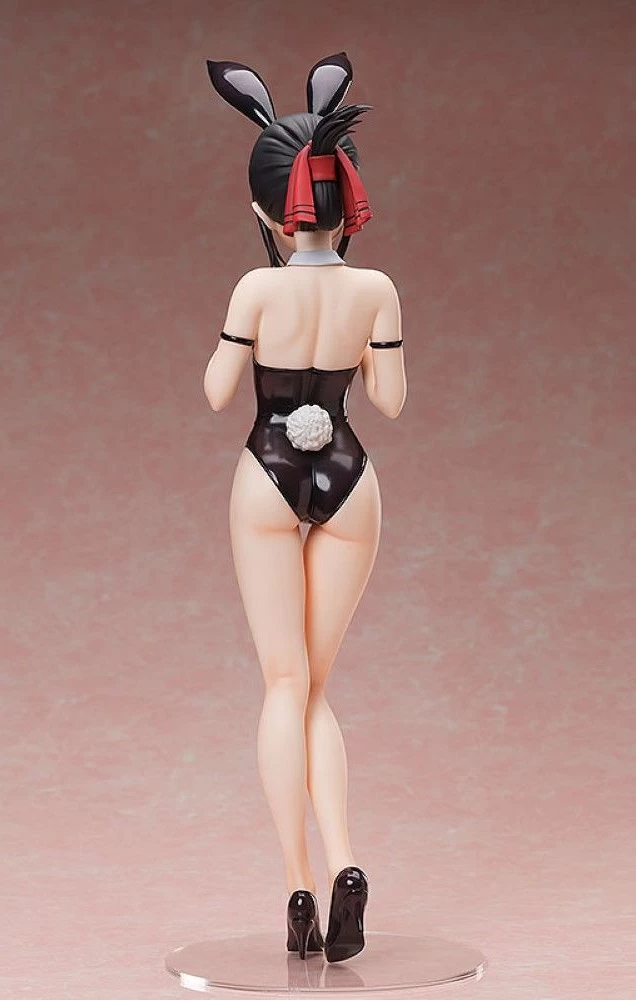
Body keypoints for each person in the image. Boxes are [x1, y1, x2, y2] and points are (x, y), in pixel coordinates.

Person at [204, 52, 407, 964]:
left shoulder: (256, 288)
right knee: (319, 688)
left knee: (283, 686)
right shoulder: (377, 290)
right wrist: (361, 352)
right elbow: (390, 402)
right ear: (346, 201)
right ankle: (349, 861)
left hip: (267, 471)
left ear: (266, 211)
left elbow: (218, 393)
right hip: (351, 481)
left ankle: (297, 885)